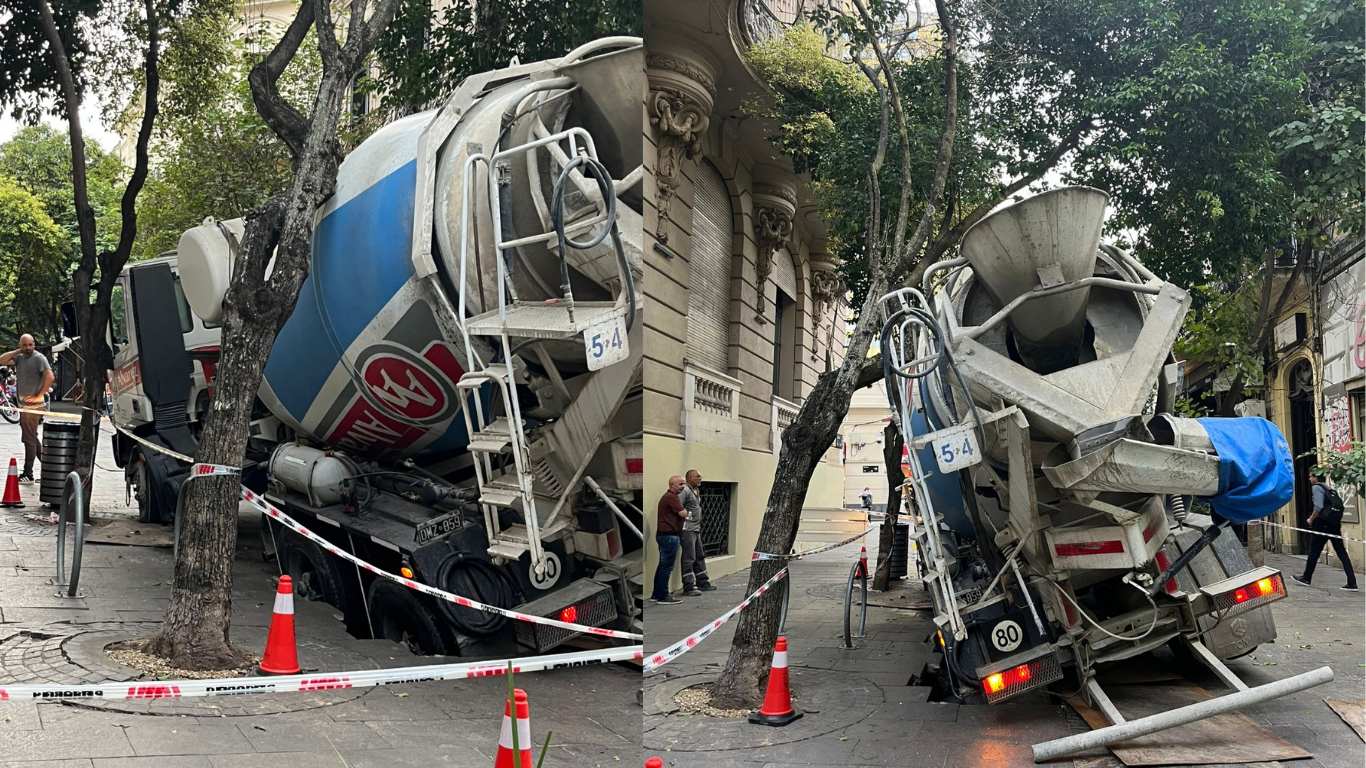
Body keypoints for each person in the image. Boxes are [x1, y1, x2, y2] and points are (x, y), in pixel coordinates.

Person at [1292, 474, 1358, 591]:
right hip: (1334, 523)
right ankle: (1352, 582)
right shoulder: (1328, 488)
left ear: (1316, 478)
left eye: (1311, 477)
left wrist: (1311, 519)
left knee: (1314, 551)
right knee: (1341, 552)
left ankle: (1306, 578)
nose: (1309, 479)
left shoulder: (1317, 487)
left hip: (1322, 523)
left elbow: (1318, 506)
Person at [0, 336, 53, 483]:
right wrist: (19, 351)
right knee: (32, 439)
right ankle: (50, 468)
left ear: (34, 344)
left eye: (30, 345)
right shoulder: (20, 358)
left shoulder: (39, 358)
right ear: (20, 345)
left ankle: (28, 473)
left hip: (33, 406)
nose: (28, 348)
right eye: (25, 345)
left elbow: (50, 377)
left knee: (29, 440)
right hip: (24, 406)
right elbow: (2, 360)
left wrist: (39, 396)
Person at [651, 475, 688, 605]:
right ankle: (663, 596)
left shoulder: (669, 497)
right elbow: (683, 513)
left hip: (665, 535)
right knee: (666, 567)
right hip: (669, 536)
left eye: (684, 484)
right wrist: (687, 511)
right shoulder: (671, 497)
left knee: (662, 565)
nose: (683, 487)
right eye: (680, 484)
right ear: (672, 485)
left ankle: (656, 594)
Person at [677, 469, 715, 596]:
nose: (700, 478)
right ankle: (688, 586)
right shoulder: (685, 491)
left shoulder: (695, 491)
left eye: (700, 476)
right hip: (687, 530)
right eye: (697, 476)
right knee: (689, 557)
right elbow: (677, 506)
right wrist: (685, 518)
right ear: (690, 478)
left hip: (696, 529)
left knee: (699, 555)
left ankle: (702, 582)